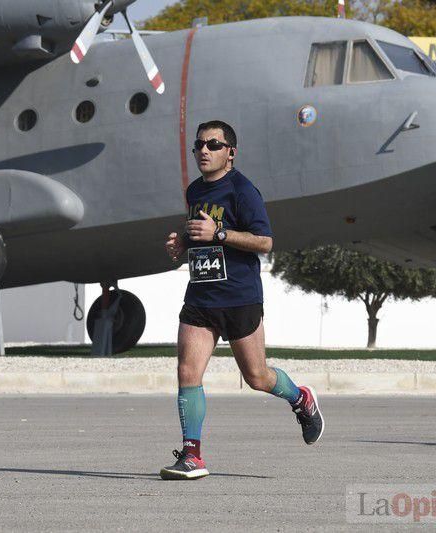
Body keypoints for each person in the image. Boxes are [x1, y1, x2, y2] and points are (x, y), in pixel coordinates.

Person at [160, 120, 324, 481]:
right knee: (187, 373)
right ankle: (192, 456)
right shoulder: (194, 191)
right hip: (201, 297)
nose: (204, 150)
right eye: (199, 145)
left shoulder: (243, 191)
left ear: (230, 152)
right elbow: (199, 235)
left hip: (239, 298)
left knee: (257, 377)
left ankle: (301, 398)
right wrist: (183, 243)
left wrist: (218, 231)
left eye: (213, 145)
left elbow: (265, 242)